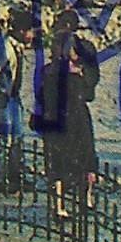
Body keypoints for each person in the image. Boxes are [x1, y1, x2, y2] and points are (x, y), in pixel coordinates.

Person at [37, 16, 100, 219]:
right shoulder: (78, 75)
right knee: (85, 159)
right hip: (77, 119)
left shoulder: (47, 71)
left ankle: (59, 205)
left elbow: (41, 97)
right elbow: (89, 95)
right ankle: (86, 199)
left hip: (54, 120)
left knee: (57, 163)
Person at [0, 8, 34, 192]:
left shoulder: (17, 47)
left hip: (13, 97)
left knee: (17, 137)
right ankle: (0, 179)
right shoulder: (5, 48)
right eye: (30, 31)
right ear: (22, 31)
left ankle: (15, 175)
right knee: (4, 139)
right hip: (3, 98)